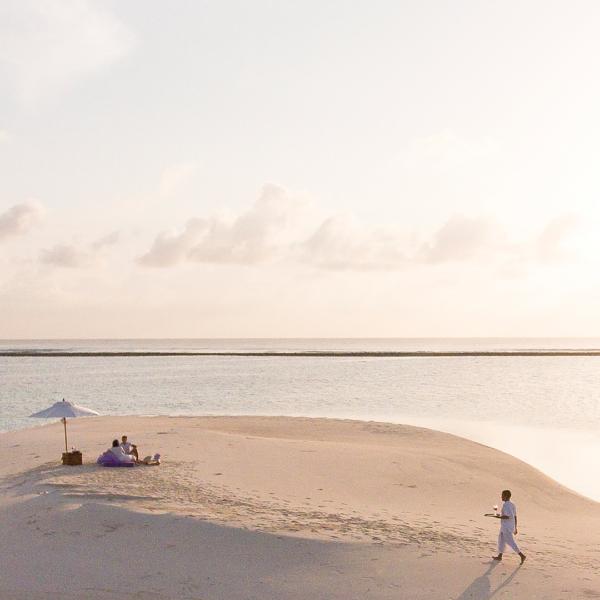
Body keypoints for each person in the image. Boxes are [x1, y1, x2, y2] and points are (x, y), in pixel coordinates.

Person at [492, 490, 526, 564]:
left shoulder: (506, 505)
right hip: (508, 526)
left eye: (502, 495)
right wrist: (515, 527)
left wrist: (498, 517)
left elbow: (507, 516)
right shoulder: (512, 504)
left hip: (506, 527)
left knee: (510, 541)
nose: (501, 497)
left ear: (506, 496)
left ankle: (522, 555)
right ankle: (500, 555)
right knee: (501, 540)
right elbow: (515, 516)